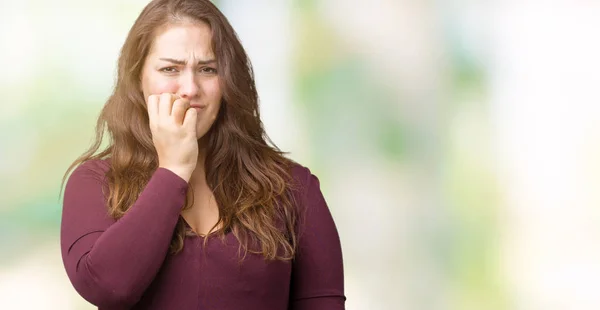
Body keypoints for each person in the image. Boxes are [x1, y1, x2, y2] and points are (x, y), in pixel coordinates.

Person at [59, 0, 345, 309]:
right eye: (170, 68)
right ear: (137, 79)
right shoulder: (95, 183)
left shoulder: (293, 188)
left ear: (228, 82)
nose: (190, 88)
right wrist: (173, 170)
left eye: (207, 69)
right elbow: (108, 289)